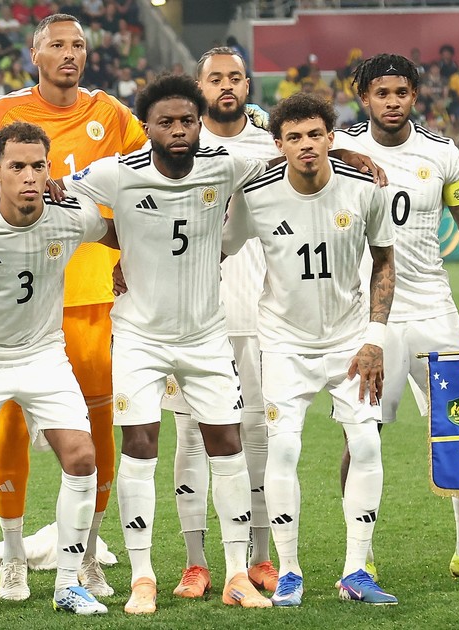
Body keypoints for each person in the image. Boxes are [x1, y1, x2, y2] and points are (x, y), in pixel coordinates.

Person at [62, 74, 271, 614]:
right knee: (140, 445)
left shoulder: (225, 163)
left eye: (187, 121)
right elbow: (58, 192)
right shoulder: (117, 172)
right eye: (166, 122)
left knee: (227, 445)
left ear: (199, 123)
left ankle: (237, 574)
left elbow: (291, 158)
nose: (178, 130)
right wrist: (117, 244)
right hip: (140, 336)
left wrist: (350, 155)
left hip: (206, 335)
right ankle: (143, 576)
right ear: (147, 126)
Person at [0, 14, 147, 600]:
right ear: (35, 53)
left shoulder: (110, 114)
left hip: (90, 292)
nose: (70, 54)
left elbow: (151, 174)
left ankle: (88, 551)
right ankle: (13, 554)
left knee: (96, 424)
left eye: (79, 45)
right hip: (17, 296)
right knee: (13, 422)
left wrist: (127, 251)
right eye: (57, 45)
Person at [334, 53, 459, 587]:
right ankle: (359, 560)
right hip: (369, 316)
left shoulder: (441, 153)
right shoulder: (338, 149)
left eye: (401, 93)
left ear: (414, 96)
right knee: (361, 436)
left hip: (434, 308)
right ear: (363, 97)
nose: (392, 102)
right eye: (381, 93)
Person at [0, 122, 116, 620]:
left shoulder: (71, 217)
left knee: (82, 456)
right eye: (16, 166)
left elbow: (121, 232)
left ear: (49, 169)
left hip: (43, 354)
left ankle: (68, 584)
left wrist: (128, 264)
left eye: (38, 166)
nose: (29, 176)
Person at [223, 91, 396, 607]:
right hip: (283, 343)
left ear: (330, 138)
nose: (306, 145)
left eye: (315, 135)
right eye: (294, 137)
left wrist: (375, 338)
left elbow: (384, 262)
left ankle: (356, 570)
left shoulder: (364, 186)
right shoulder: (256, 194)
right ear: (278, 144)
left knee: (366, 446)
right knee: (284, 449)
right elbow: (219, 247)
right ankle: (290, 571)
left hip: (351, 341)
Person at [162, 47, 281, 601]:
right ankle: (196, 562)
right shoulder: (178, 144)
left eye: (235, 77)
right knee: (190, 436)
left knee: (256, 434)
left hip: (258, 312)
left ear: (248, 86)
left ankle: (260, 557)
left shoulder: (270, 145)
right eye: (216, 79)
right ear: (199, 87)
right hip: (192, 314)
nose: (226, 86)